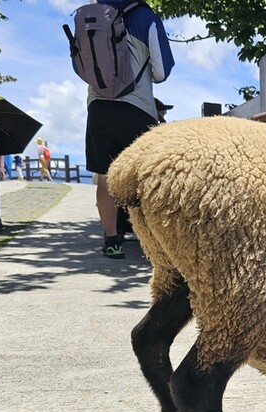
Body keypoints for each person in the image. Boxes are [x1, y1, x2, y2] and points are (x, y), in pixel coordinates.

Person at [85, 0, 174, 259]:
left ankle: (112, 240)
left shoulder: (93, 15)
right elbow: (161, 71)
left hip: (99, 105)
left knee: (104, 175)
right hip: (137, 105)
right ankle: (150, 242)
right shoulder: (146, 16)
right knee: (142, 176)